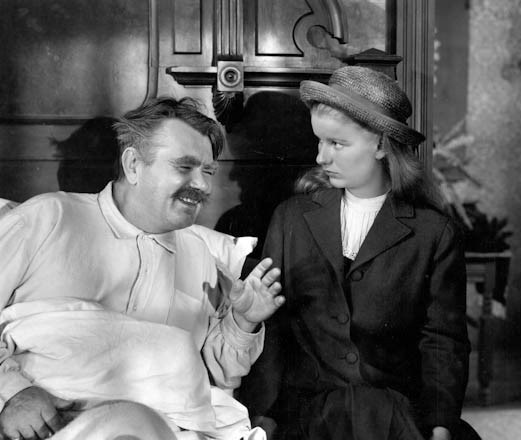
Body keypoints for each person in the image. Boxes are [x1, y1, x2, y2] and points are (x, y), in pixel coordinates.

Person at [0, 97, 284, 440]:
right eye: (185, 167)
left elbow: (215, 374)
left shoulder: (200, 256)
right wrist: (13, 392)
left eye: (208, 171)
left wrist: (244, 321)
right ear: (133, 165)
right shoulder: (47, 219)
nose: (204, 185)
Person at [238, 66, 476, 440]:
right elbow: (274, 329)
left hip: (396, 415)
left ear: (381, 145)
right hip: (307, 414)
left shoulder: (434, 234)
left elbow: (443, 342)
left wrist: (440, 426)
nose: (321, 157)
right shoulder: (291, 218)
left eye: (337, 143)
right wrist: (263, 415)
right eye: (319, 142)